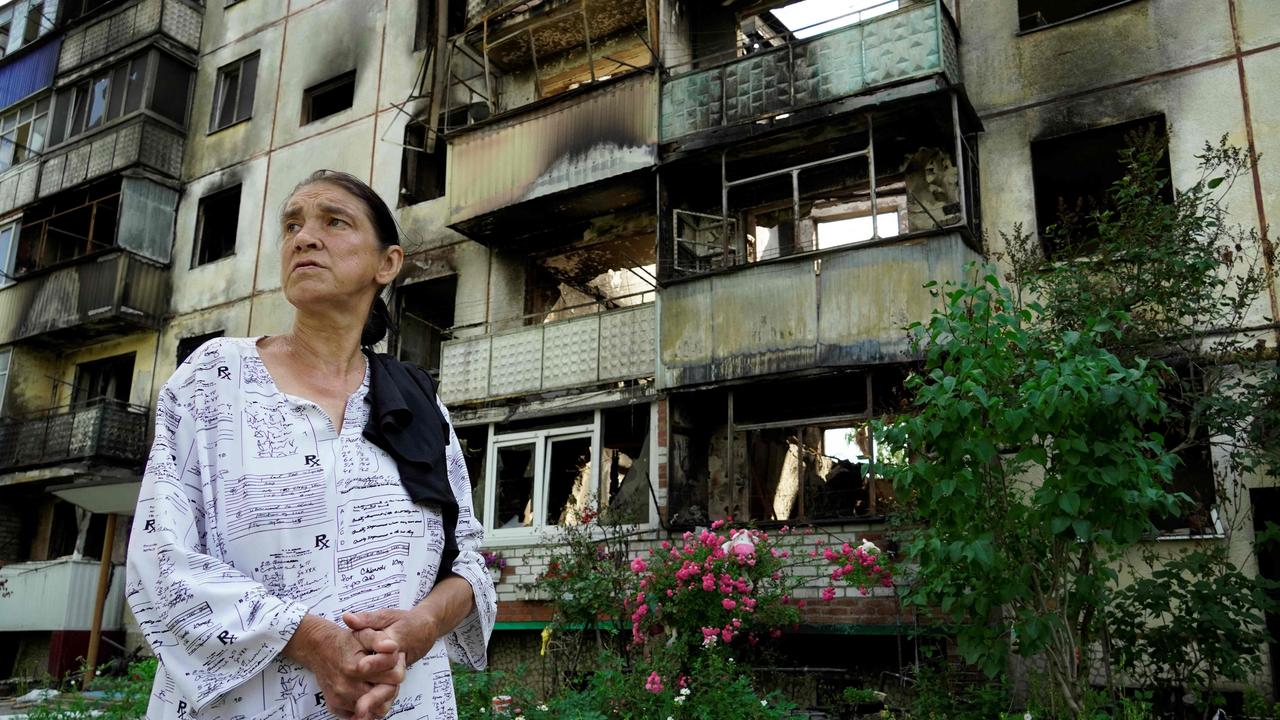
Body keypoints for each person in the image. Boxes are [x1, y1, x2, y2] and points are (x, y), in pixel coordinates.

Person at [126, 170, 496, 720]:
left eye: (334, 221)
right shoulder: (215, 380)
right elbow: (160, 558)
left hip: (404, 702)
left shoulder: (417, 403)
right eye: (292, 224)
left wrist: (421, 628)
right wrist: (315, 641)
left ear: (387, 264)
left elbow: (471, 559)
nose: (304, 237)